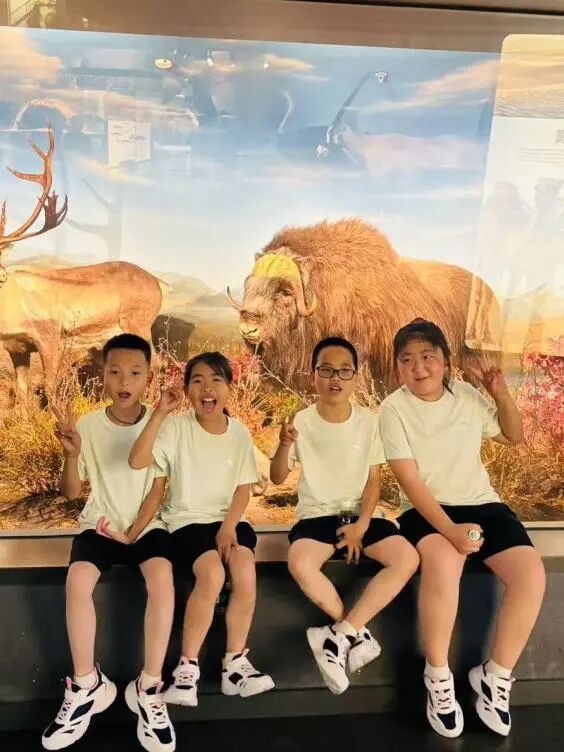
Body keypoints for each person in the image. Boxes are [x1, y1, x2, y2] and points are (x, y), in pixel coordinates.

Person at [379, 319, 546, 738]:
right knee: (442, 561)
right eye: (407, 360)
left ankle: (496, 675)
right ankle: (438, 677)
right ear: (398, 368)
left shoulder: (466, 396)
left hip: (482, 503)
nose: (418, 367)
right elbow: (410, 482)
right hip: (426, 510)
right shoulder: (393, 409)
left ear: (446, 361)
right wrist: (451, 530)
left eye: (428, 357)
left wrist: (500, 392)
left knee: (531, 574)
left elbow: (513, 436)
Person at [42, 333, 175, 752]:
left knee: (162, 578)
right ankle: (87, 684)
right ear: (102, 374)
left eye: (135, 372)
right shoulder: (87, 425)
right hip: (99, 524)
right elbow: (70, 493)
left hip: (146, 526)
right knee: (78, 581)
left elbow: (158, 491)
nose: (124, 381)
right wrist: (70, 454)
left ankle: (149, 686)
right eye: (115, 371)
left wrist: (133, 532)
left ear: (148, 377)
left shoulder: (164, 423)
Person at [270, 336, 419, 695]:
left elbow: (373, 482)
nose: (335, 378)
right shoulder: (301, 421)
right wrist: (284, 444)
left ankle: (337, 636)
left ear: (355, 376)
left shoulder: (369, 422)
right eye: (326, 370)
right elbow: (277, 477)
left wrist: (361, 527)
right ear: (313, 376)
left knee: (407, 558)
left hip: (363, 515)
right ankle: (353, 633)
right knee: (300, 562)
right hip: (317, 515)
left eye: (344, 371)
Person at [129, 351, 274, 706]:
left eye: (216, 380)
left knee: (244, 569)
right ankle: (187, 668)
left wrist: (228, 527)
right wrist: (159, 412)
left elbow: (243, 487)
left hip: (229, 520)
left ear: (230, 388)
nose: (207, 388)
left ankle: (235, 664)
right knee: (211, 573)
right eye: (197, 381)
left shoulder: (239, 432)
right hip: (186, 521)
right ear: (187, 391)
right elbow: (137, 461)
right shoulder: (176, 428)